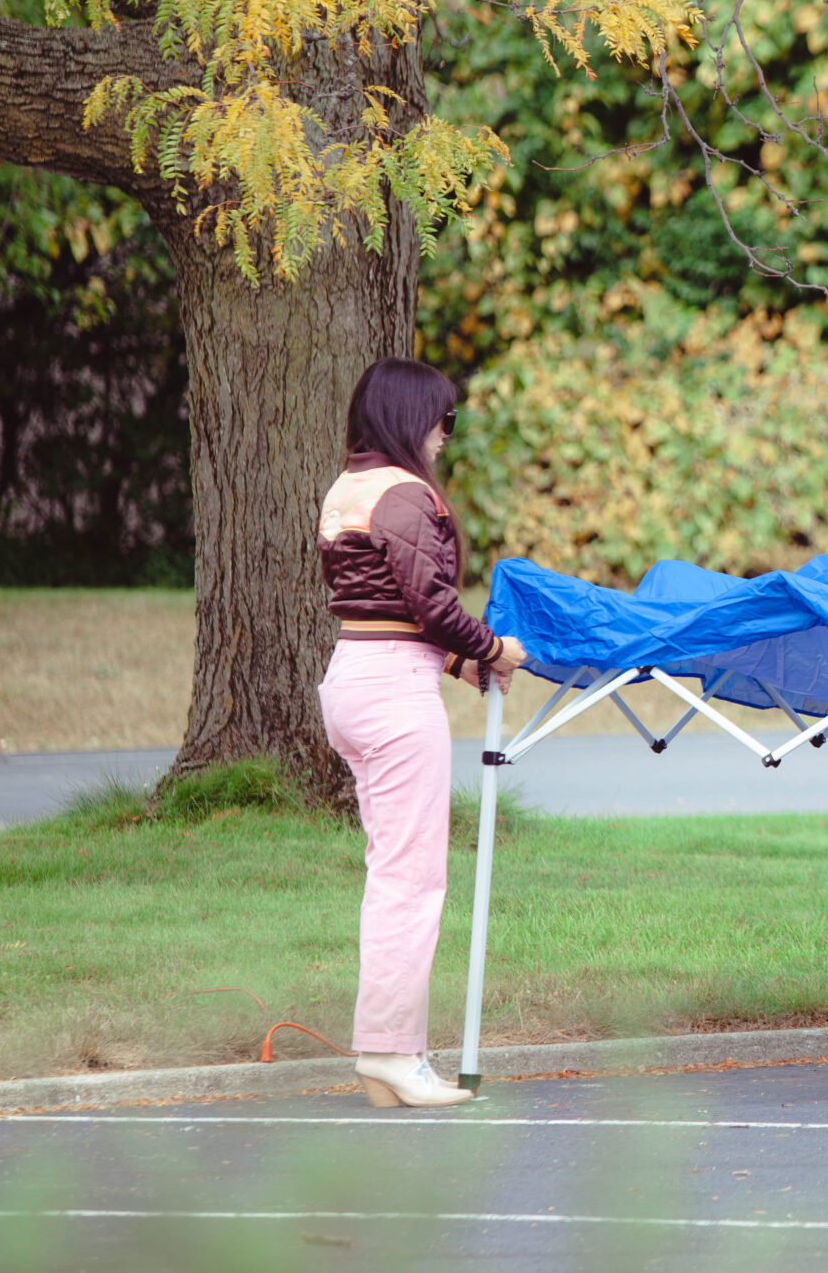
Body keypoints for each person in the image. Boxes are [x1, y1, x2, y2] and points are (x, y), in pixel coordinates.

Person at [316, 356, 526, 1109]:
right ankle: (390, 1053)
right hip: (395, 699)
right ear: (412, 418)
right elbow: (431, 604)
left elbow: (383, 610)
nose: (445, 434)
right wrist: (491, 649)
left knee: (390, 873)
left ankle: (387, 1052)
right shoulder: (407, 495)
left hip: (353, 679)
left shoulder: (348, 489)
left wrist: (456, 666)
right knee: (412, 880)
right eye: (444, 418)